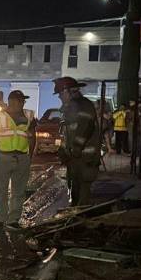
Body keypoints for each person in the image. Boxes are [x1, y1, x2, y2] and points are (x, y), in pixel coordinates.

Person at [0, 90, 36, 228]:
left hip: (22, 157)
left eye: (23, 101)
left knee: (19, 191)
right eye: (20, 100)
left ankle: (13, 220)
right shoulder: (0, 115)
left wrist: (29, 157)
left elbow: (33, 136)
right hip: (3, 156)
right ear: (12, 101)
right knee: (0, 189)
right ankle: (0, 218)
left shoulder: (29, 115)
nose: (22, 103)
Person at [54, 76, 102, 206]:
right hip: (75, 158)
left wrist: (76, 148)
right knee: (75, 188)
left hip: (85, 158)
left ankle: (82, 214)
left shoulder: (84, 106)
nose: (59, 97)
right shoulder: (70, 108)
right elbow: (67, 133)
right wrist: (63, 149)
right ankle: (75, 212)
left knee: (83, 191)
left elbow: (85, 127)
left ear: (69, 91)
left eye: (60, 94)